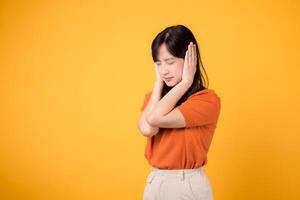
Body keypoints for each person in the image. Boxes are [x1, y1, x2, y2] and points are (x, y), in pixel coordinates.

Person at [137, 24, 221, 200]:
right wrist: (158, 85)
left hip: (187, 184)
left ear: (190, 59)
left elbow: (154, 118)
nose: (164, 70)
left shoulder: (207, 100)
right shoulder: (154, 98)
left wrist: (186, 82)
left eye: (170, 62)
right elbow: (147, 129)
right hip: (155, 181)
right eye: (158, 64)